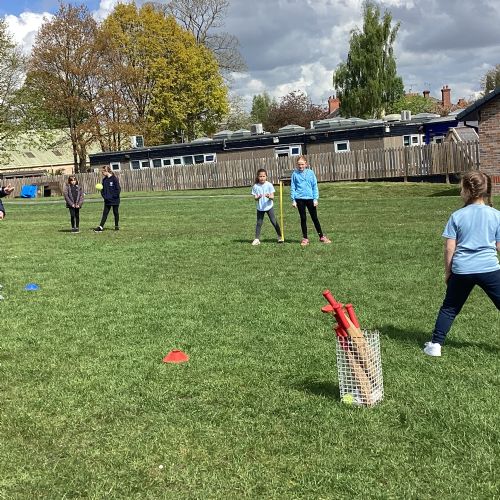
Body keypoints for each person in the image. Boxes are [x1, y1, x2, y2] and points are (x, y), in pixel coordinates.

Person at [424, 170, 500, 357]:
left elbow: (450, 248)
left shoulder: (457, 216)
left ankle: (435, 345)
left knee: (449, 308)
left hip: (462, 269)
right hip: (489, 268)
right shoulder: (496, 215)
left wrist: (448, 272)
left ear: (466, 190)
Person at [290, 155, 331, 246]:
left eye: (302, 164)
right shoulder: (294, 174)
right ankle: (305, 238)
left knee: (314, 218)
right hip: (299, 199)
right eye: (299, 164)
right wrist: (293, 200)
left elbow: (314, 186)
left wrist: (315, 198)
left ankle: (321, 237)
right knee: (303, 218)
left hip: (310, 199)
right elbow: (293, 187)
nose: (300, 166)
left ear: (306, 164)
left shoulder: (311, 173)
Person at [251, 168, 283, 245]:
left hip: (269, 207)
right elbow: (255, 198)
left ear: (266, 176)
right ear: (258, 177)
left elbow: (272, 197)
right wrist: (257, 197)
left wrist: (269, 196)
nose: (262, 178)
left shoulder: (269, 185)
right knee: (259, 223)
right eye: (260, 176)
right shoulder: (255, 186)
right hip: (260, 208)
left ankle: (280, 236)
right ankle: (257, 239)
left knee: (273, 221)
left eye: (263, 176)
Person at [94, 166, 121, 232]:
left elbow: (118, 190)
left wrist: (113, 196)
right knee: (105, 213)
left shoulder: (114, 179)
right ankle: (101, 227)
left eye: (103, 171)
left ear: (106, 171)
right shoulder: (104, 180)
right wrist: (104, 196)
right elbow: (102, 190)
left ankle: (116, 226)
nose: (102, 173)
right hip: (107, 200)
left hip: (115, 200)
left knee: (115, 212)